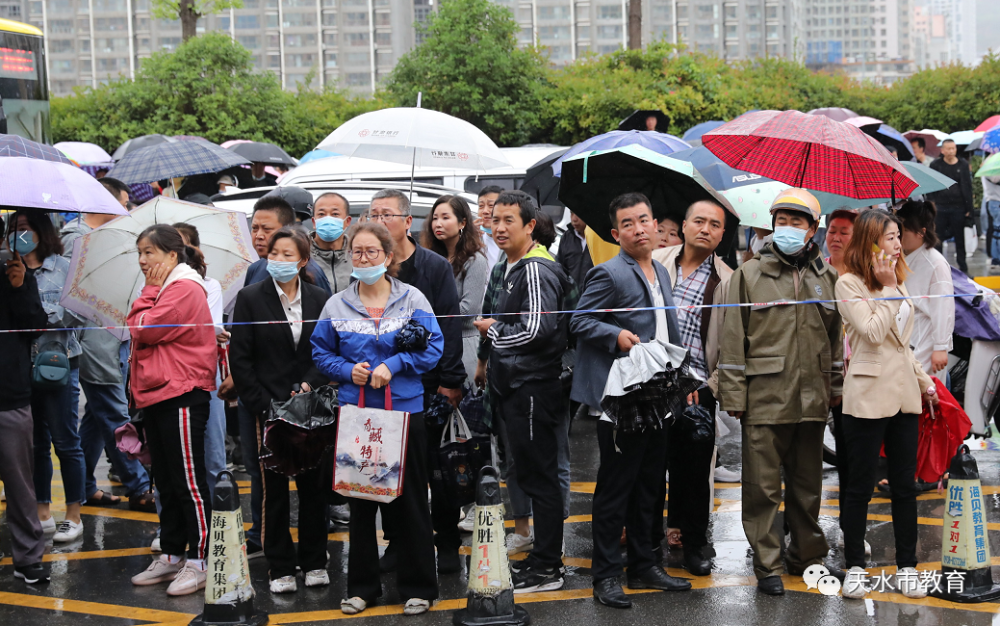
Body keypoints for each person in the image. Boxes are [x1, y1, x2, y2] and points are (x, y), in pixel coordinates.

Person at [311, 222, 443, 616]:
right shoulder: (336, 304)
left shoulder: (412, 299)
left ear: (388, 257)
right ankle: (362, 589)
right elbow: (320, 352)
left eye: (372, 252)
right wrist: (345, 369)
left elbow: (433, 347)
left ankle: (418, 586)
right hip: (358, 417)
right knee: (361, 503)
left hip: (405, 414)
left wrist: (397, 363)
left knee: (411, 501)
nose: (363, 258)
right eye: (357, 252)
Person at [718, 189, 843, 596]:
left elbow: (835, 339)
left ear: (812, 230)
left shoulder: (827, 278)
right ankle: (767, 564)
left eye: (797, 222)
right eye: (781, 221)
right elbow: (733, 342)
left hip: (812, 400)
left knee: (808, 488)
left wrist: (835, 388)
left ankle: (807, 557)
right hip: (764, 398)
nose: (787, 228)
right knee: (762, 489)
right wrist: (734, 396)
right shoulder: (748, 275)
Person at [571, 192, 693, 609]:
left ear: (656, 223)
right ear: (615, 233)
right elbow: (581, 320)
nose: (639, 228)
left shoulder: (659, 269)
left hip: (658, 392)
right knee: (615, 487)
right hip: (622, 397)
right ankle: (605, 574)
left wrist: (682, 378)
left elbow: (668, 329)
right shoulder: (608, 273)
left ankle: (645, 563)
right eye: (628, 223)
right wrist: (615, 336)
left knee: (649, 485)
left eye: (644, 220)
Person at [473, 190, 573, 593]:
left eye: (508, 220)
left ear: (530, 226)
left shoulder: (534, 267)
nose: (498, 227)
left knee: (541, 476)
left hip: (534, 386)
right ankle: (544, 559)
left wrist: (492, 330)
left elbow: (538, 329)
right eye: (494, 220)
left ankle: (549, 567)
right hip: (517, 385)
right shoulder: (512, 264)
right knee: (532, 473)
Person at [835, 210, 936, 600]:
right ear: (871, 241)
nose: (898, 243)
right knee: (859, 486)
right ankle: (856, 566)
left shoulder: (899, 281)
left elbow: (902, 345)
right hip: (865, 394)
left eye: (898, 237)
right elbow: (874, 333)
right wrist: (889, 288)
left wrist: (926, 383)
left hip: (905, 394)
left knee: (905, 486)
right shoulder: (848, 283)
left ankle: (907, 567)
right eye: (891, 237)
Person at [367, 188, 466, 574]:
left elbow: (450, 326)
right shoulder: (372, 270)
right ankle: (397, 541)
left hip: (431, 383)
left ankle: (448, 543)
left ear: (408, 222)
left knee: (437, 470)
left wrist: (450, 380)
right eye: (372, 214)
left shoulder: (434, 267)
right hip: (385, 387)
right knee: (391, 467)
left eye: (387, 214)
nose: (378, 220)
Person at [229, 227, 331, 594]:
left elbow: (327, 348)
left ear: (303, 260)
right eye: (275, 254)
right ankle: (280, 565)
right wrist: (262, 403)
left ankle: (315, 560)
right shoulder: (250, 298)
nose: (280, 261)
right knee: (272, 488)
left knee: (313, 486)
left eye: (288, 255)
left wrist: (309, 383)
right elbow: (240, 357)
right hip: (267, 409)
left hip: (310, 407)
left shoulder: (320, 298)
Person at [127, 225, 217, 597]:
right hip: (156, 394)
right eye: (140, 254)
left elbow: (144, 330)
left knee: (188, 482)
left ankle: (199, 561)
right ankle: (172, 553)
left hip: (180, 393)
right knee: (165, 478)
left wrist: (147, 294)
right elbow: (138, 326)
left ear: (171, 255)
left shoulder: (183, 287)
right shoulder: (166, 289)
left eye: (149, 253)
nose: (143, 261)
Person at [61, 180, 155, 513]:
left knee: (97, 419)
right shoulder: (76, 239)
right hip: (92, 339)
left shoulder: (103, 237)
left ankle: (84, 485)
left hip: (113, 336)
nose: (125, 210)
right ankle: (139, 485)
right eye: (123, 203)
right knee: (114, 411)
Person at [652, 200, 733, 577]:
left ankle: (695, 543)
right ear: (682, 226)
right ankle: (649, 541)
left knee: (694, 474)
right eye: (698, 221)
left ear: (721, 234)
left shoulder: (729, 279)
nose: (705, 228)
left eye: (714, 224)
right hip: (651, 382)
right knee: (650, 468)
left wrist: (710, 386)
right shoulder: (655, 262)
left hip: (697, 388)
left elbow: (733, 343)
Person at [9, 212, 86, 543]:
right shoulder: (8, 270)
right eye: (12, 230)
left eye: (24, 229)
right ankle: (42, 509)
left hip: (58, 364)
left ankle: (73, 514)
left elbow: (77, 313)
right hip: (19, 368)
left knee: (65, 441)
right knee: (35, 443)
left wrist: (38, 314)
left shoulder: (64, 267)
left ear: (40, 231)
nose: (18, 236)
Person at [0, 245, 50, 584]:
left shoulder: (14, 269)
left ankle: (28, 557)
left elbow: (35, 325)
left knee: (19, 483)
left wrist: (18, 288)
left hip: (10, 394)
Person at [173, 223, 228, 493]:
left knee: (213, 450)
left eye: (182, 246)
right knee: (170, 456)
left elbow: (209, 328)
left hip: (206, 371)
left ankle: (219, 525)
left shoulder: (210, 285)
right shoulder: (150, 288)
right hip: (168, 375)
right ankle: (168, 529)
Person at [421, 194, 489, 382]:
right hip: (432, 344)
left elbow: (468, 309)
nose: (438, 223)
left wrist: (427, 316)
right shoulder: (429, 259)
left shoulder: (475, 261)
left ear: (462, 223)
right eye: (434, 218)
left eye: (445, 217)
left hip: (464, 345)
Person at [895, 201, 954, 376]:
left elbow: (943, 308)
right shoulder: (901, 257)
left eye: (904, 231)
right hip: (905, 339)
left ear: (921, 232)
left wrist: (940, 347)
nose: (899, 236)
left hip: (925, 343)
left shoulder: (935, 263)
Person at [242, 196, 333, 294]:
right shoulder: (254, 269)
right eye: (255, 228)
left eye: (267, 229)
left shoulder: (311, 272)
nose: (258, 235)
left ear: (286, 230)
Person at [928, 138, 974, 274]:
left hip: (958, 207)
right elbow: (931, 186)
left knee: (960, 238)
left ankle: (963, 268)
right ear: (942, 150)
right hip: (940, 207)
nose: (951, 151)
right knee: (938, 238)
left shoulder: (963, 164)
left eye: (953, 148)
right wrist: (932, 205)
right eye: (948, 148)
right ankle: (939, 268)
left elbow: (967, 187)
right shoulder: (936, 165)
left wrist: (969, 209)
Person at [310, 192, 353, 293]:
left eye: (335, 214)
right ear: (314, 222)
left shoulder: (358, 253)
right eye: (321, 214)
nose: (328, 219)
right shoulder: (300, 253)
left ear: (347, 221)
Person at [555, 211, 593, 290]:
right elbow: (559, 268)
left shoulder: (599, 240)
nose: (574, 219)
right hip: (571, 297)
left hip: (591, 297)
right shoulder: (567, 237)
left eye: (578, 214)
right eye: (571, 213)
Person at [476, 185, 504, 267]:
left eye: (491, 205)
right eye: (481, 206)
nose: (485, 211)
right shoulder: (474, 239)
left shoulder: (513, 241)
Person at [825, 209, 857, 276]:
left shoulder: (867, 273)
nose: (836, 239)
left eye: (844, 233)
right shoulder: (815, 270)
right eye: (832, 232)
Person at [982, 173, 1000, 270]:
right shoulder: (991, 165)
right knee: (997, 230)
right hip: (995, 201)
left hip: (996, 201)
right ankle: (996, 258)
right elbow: (995, 179)